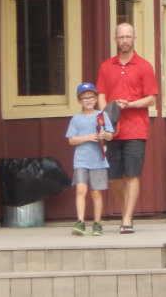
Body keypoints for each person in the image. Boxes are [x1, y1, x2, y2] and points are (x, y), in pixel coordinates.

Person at [96, 22, 159, 234]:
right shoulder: (106, 66)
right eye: (121, 37)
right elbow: (101, 93)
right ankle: (127, 212)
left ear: (134, 39)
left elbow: (151, 98)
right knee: (113, 176)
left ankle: (127, 219)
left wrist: (130, 104)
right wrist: (106, 115)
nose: (124, 40)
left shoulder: (144, 66)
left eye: (128, 36)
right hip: (112, 130)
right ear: (115, 39)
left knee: (132, 174)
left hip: (136, 129)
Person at [65, 82, 114, 236]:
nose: (88, 100)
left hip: (98, 159)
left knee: (96, 192)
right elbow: (71, 140)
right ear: (79, 100)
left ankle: (97, 223)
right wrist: (87, 137)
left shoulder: (102, 115)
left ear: (96, 98)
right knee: (81, 189)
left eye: (91, 97)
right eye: (85, 98)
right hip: (81, 159)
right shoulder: (76, 119)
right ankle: (80, 221)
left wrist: (103, 135)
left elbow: (110, 136)